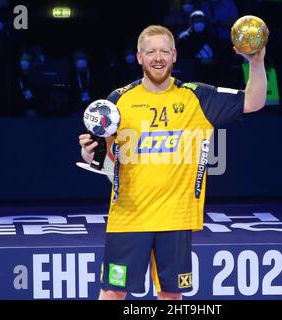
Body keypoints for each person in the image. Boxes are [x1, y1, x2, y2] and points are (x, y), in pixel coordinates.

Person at [78, 25, 267, 300]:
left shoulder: (197, 96)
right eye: (151, 51)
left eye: (164, 51)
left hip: (176, 217)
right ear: (139, 57)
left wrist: (257, 62)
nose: (158, 57)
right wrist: (89, 154)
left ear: (175, 55)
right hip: (129, 217)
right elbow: (104, 156)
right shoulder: (118, 100)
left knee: (170, 296)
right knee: (112, 293)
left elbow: (254, 101)